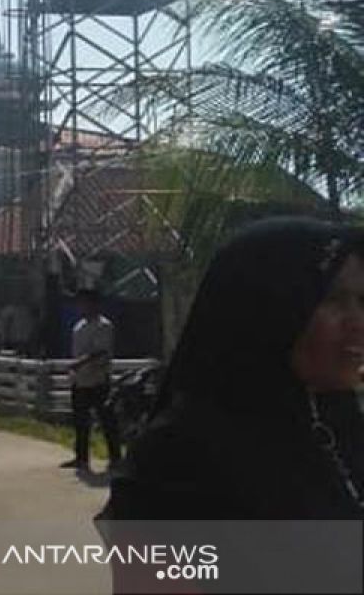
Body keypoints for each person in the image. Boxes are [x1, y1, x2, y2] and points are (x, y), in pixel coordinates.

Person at [99, 219, 364, 593]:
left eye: (362, 301)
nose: (358, 323)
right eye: (333, 301)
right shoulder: (178, 463)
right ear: (270, 308)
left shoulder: (342, 428)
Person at [60, 288, 121, 471]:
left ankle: (116, 457)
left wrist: (80, 362)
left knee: (106, 419)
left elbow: (101, 351)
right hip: (80, 380)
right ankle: (81, 457)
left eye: (85, 303)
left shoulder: (104, 326)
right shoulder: (78, 326)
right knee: (80, 421)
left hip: (98, 378)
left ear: (94, 304)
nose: (82, 306)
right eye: (80, 303)